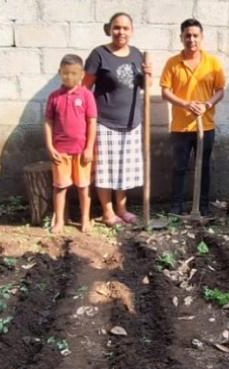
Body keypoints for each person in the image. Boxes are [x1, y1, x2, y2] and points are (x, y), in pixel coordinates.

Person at [83, 12, 152, 226]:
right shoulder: (99, 54)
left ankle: (122, 209)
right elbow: (85, 88)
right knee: (105, 170)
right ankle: (108, 212)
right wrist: (86, 119)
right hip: (105, 122)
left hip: (132, 122)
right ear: (109, 29)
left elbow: (145, 87)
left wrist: (149, 75)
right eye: (116, 27)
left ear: (132, 31)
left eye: (125, 28)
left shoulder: (137, 54)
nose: (121, 32)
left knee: (123, 169)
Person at [160, 18, 225, 216]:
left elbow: (220, 90)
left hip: (205, 126)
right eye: (187, 35)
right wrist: (186, 104)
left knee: (203, 167)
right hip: (180, 127)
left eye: (195, 35)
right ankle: (176, 206)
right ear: (181, 37)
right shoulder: (173, 63)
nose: (191, 39)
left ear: (201, 37)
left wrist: (207, 105)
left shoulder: (213, 63)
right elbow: (165, 92)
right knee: (179, 167)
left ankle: (202, 206)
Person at [44, 54, 98, 234]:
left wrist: (89, 148)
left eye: (74, 73)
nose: (69, 77)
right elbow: (48, 122)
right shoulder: (54, 97)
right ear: (60, 73)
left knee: (83, 187)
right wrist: (50, 147)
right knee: (60, 187)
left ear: (82, 74)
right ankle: (60, 220)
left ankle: (85, 219)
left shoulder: (87, 96)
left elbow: (92, 122)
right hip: (60, 152)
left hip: (82, 152)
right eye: (66, 73)